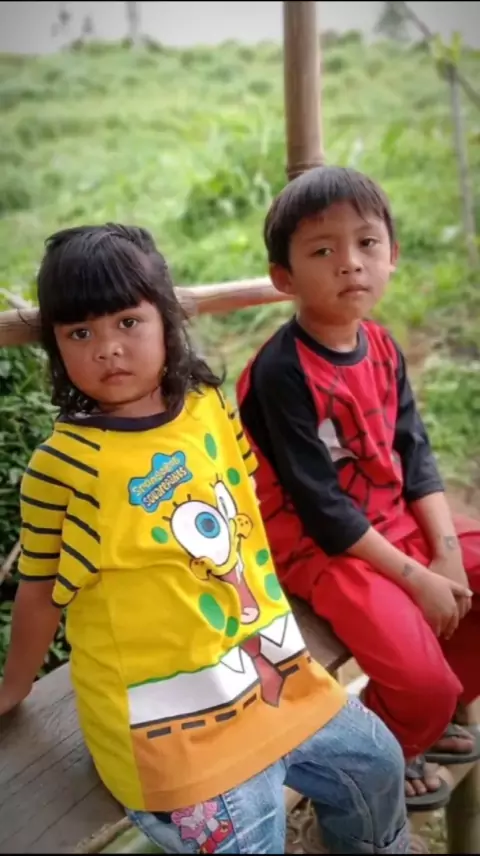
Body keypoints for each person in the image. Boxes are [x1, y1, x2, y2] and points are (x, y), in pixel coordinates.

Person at [0, 223, 418, 854]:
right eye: (79, 333)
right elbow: (39, 590)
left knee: (379, 764)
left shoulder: (208, 406)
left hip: (274, 672)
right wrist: (14, 687)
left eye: (128, 322)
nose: (108, 349)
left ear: (166, 319)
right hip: (169, 728)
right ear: (56, 347)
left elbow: (245, 511)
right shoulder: (66, 467)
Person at [236, 165, 480, 814]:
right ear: (284, 278)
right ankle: (389, 743)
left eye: (367, 243)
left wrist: (445, 554)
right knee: (423, 685)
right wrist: (417, 577)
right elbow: (322, 510)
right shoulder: (282, 371)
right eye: (323, 251)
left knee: (468, 588)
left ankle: (422, 714)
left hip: (388, 521)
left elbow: (415, 454)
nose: (350, 263)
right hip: (322, 548)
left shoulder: (381, 346)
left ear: (392, 255)